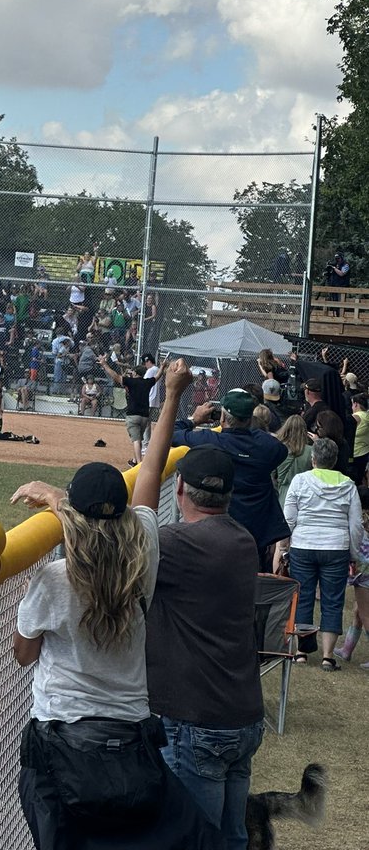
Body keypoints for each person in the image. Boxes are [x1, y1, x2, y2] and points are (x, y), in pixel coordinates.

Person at [11, 385, 224, 849]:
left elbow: (24, 656)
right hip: (131, 742)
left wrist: (54, 500)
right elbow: (150, 469)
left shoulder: (52, 579)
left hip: (61, 743)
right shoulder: (143, 550)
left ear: (72, 518)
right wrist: (171, 397)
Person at [132, 360, 265, 850]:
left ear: (181, 489)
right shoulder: (242, 538)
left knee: (192, 841)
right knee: (228, 840)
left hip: (198, 723)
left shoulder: (183, 547)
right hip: (241, 718)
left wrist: (171, 398)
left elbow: (138, 511)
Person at [172, 386, 289, 570]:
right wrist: (253, 431)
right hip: (254, 532)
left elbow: (173, 434)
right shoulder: (265, 446)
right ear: (250, 419)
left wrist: (194, 419)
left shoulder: (210, 439)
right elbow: (280, 450)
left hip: (217, 528)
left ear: (223, 417)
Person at [283, 436, 363, 670]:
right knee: (332, 601)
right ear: (335, 460)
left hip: (303, 544)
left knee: (304, 596)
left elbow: (289, 518)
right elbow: (356, 524)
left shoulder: (300, 481)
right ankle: (328, 656)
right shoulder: (347, 485)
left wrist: (284, 546)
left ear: (313, 458)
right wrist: (354, 554)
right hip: (336, 546)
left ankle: (301, 651)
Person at [334, 485, 369, 666]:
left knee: (365, 614)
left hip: (363, 574)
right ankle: (346, 650)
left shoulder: (360, 522)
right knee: (358, 612)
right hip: (364, 574)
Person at [99, 357, 152, 466]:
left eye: (133, 371)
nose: (131, 372)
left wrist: (104, 364)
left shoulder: (131, 381)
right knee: (139, 438)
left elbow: (115, 375)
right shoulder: (147, 382)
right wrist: (163, 367)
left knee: (136, 440)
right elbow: (157, 376)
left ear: (136, 373)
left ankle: (138, 463)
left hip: (133, 415)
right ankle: (134, 460)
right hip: (145, 416)